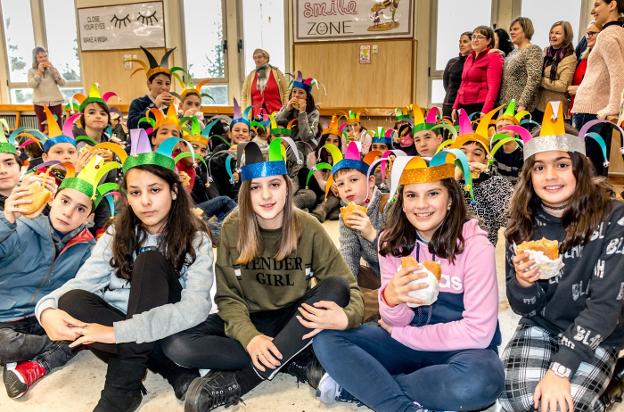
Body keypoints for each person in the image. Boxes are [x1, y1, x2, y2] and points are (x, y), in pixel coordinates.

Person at [159, 139, 364, 412]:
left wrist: (347, 317)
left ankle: (242, 381)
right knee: (175, 342)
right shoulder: (233, 227)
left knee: (336, 287)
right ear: (246, 192)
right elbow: (228, 297)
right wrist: (250, 338)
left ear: (287, 187)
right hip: (250, 317)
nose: (266, 196)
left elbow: (349, 289)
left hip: (294, 317)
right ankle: (291, 356)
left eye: (274, 185)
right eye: (256, 187)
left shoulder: (309, 226)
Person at [313, 150, 504, 411]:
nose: (421, 205)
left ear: (450, 199)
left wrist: (408, 336)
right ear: (401, 202)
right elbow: (394, 321)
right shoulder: (392, 243)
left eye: (433, 193)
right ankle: (403, 405)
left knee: (482, 383)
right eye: (412, 195)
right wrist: (390, 298)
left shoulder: (476, 246)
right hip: (406, 343)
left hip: (462, 350)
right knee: (327, 338)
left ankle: (370, 388)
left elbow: (479, 333)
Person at [37, 130, 214, 411]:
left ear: (174, 191)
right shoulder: (116, 233)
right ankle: (171, 370)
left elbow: (196, 308)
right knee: (71, 301)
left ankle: (121, 392)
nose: (145, 201)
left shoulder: (196, 239)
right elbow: (79, 285)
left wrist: (118, 333)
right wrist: (46, 310)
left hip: (166, 328)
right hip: (124, 324)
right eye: (135, 192)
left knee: (151, 261)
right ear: (127, 197)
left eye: (154, 190)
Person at [499, 101, 624, 412]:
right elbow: (520, 306)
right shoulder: (521, 224)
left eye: (562, 164)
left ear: (579, 168)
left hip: (598, 334)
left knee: (562, 406)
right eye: (539, 167)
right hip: (542, 325)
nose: (550, 176)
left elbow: (606, 306)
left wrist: (560, 369)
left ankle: (606, 383)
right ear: (529, 175)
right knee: (520, 398)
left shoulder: (615, 218)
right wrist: (525, 285)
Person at [1, 156, 117, 399]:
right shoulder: (20, 224)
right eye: (65, 201)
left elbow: (92, 290)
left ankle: (32, 365)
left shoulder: (89, 248)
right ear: (52, 199)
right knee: (7, 343)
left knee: (85, 330)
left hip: (46, 317)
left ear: (88, 217)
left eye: (81, 209)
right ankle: (38, 354)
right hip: (5, 317)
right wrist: (6, 220)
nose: (68, 212)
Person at [571, 0, 624, 176]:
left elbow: (618, 73)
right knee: (594, 170)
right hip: (594, 109)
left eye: (597, 4)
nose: (593, 11)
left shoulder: (607, 35)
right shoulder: (618, 32)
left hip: (591, 110)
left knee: (587, 172)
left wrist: (612, 107)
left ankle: (588, 204)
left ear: (612, 5)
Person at [450, 107, 514, 246]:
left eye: (477, 154)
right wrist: (453, 182)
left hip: (486, 249)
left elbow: (508, 220)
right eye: (463, 153)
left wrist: (486, 179)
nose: (469, 158)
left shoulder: (499, 183)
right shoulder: (445, 184)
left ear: (486, 159)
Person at [453, 26, 504, 118]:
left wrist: (485, 111)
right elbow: (463, 83)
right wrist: (455, 107)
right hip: (463, 106)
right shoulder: (469, 57)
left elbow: (493, 88)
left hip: (480, 106)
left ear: (489, 41)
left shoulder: (494, 57)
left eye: (480, 37)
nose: (475, 40)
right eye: (473, 37)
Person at [534, 21, 577, 123]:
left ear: (566, 36)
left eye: (557, 33)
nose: (553, 36)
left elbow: (563, 86)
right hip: (538, 105)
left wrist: (539, 80)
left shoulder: (570, 57)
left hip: (555, 108)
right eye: (551, 32)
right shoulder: (545, 51)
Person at [499, 17, 544, 114]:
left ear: (526, 30)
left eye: (515, 29)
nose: (511, 32)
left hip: (519, 107)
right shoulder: (513, 52)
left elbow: (534, 79)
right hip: (506, 105)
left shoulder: (533, 50)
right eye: (510, 29)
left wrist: (523, 104)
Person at [127, 47, 176, 130]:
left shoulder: (170, 106)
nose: (164, 87)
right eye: (159, 83)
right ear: (149, 84)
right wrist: (155, 106)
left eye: (167, 84)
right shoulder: (138, 103)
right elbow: (132, 125)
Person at [274, 71, 320, 143]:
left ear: (307, 97)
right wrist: (287, 110)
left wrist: (302, 113)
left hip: (303, 148)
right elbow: (274, 123)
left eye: (301, 92)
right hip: (285, 145)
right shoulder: (287, 107)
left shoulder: (314, 113)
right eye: (294, 91)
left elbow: (306, 137)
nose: (296, 95)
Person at [241, 49, 289, 118]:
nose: (257, 60)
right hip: (256, 115)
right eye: (255, 58)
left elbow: (286, 92)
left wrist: (285, 110)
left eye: (259, 57)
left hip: (276, 113)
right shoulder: (250, 76)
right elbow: (244, 96)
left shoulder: (277, 72)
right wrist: (244, 112)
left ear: (266, 58)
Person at [568, 21, 602, 117]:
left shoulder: (602, 58)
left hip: (591, 110)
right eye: (587, 33)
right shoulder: (584, 56)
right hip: (577, 107)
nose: (588, 36)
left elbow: (603, 87)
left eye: (593, 33)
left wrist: (579, 90)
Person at [28, 47, 65, 132]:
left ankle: (59, 144)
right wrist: (39, 72)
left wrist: (54, 72)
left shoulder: (52, 69)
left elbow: (62, 83)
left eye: (45, 56)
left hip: (56, 102)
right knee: (43, 129)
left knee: (58, 127)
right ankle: (44, 145)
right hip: (40, 104)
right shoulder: (31, 71)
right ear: (36, 59)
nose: (44, 59)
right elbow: (32, 84)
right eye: (40, 57)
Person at [442, 31, 472, 118]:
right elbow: (446, 83)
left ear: (472, 43)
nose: (461, 44)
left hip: (466, 105)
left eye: (465, 42)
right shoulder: (452, 62)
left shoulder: (475, 63)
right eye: (460, 42)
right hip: (449, 103)